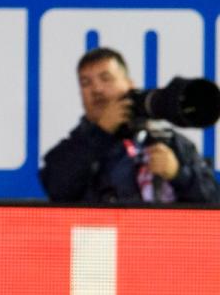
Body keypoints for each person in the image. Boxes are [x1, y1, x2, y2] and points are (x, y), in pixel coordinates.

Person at [40, 47, 218, 204]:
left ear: (129, 85)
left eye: (106, 78)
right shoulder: (72, 150)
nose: (96, 89)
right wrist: (101, 132)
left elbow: (213, 204)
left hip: (165, 240)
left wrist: (179, 174)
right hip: (103, 239)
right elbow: (57, 189)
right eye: (86, 83)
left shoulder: (169, 142)